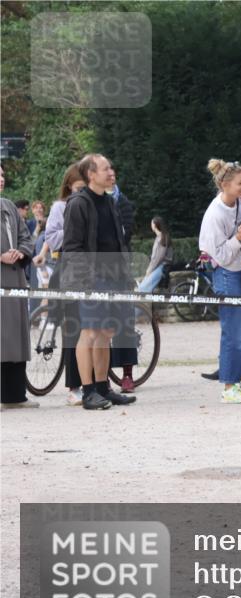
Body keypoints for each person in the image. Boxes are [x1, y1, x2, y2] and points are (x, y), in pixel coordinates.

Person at [61, 154, 137, 410]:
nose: (112, 172)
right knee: (90, 332)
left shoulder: (110, 202)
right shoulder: (78, 204)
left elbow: (118, 242)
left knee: (106, 332)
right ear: (91, 174)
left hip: (113, 277)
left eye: (112, 167)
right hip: (90, 279)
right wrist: (87, 279)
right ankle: (88, 391)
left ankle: (103, 387)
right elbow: (71, 247)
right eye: (106, 168)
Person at [197, 158, 241, 404]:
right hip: (226, 271)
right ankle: (229, 385)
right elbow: (221, 256)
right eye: (240, 183)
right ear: (225, 185)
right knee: (235, 332)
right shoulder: (213, 215)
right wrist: (239, 239)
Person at [38, 164, 86, 405]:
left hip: (89, 268)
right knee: (73, 328)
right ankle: (74, 385)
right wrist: (75, 233)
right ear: (69, 187)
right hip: (67, 268)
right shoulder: (60, 207)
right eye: (78, 188)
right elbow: (53, 238)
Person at [0, 165, 39, 409]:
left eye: (2, 175)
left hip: (14, 281)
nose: (1, 179)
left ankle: (15, 395)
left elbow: (27, 238)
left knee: (15, 337)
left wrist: (20, 252)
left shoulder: (9, 207)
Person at [107, 165, 139, 392]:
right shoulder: (91, 200)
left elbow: (125, 234)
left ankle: (127, 372)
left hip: (119, 267)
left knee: (124, 320)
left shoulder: (123, 203)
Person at [137, 217, 173, 292]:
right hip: (157, 266)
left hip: (161, 267)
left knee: (143, 288)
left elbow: (159, 257)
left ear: (155, 225)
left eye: (151, 223)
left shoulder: (162, 237)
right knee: (141, 287)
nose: (151, 225)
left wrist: (150, 269)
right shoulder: (158, 237)